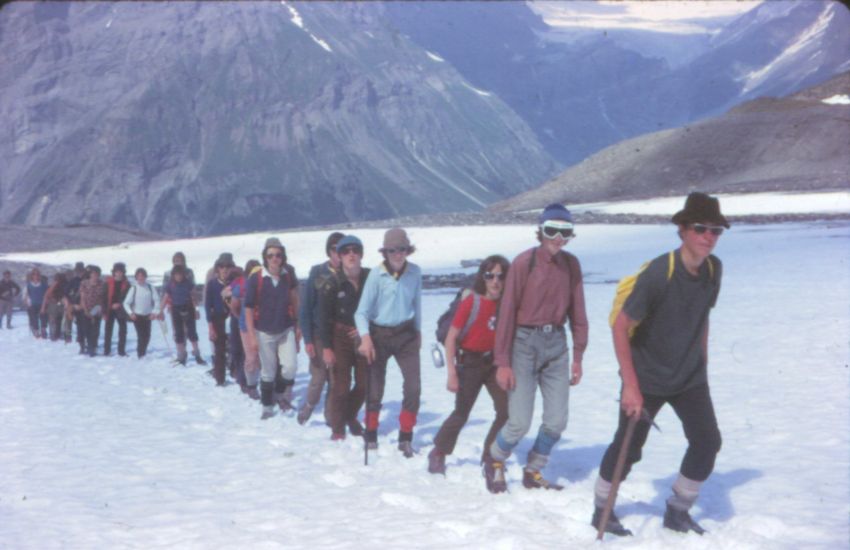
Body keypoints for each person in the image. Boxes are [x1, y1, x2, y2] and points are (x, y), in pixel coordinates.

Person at [592, 192, 727, 537]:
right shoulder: (659, 273)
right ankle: (602, 509)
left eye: (715, 230)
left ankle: (678, 511)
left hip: (689, 377)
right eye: (700, 228)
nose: (708, 236)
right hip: (647, 377)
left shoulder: (713, 269)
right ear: (683, 230)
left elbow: (702, 317)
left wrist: (702, 364)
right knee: (629, 447)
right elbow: (621, 326)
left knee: (707, 441)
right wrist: (631, 386)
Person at [484, 203, 587, 493]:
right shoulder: (522, 263)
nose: (558, 237)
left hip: (557, 345)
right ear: (540, 231)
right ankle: (494, 461)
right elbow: (506, 313)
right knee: (519, 421)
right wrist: (502, 362)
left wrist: (578, 356)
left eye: (564, 231)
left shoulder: (571, 265)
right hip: (523, 345)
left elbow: (578, 312)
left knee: (556, 421)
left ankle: (533, 470)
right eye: (551, 230)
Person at [428, 255, 510, 475]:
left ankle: (490, 455)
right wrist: (451, 373)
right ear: (482, 277)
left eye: (501, 276)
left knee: (506, 411)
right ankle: (438, 452)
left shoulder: (506, 305)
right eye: (489, 275)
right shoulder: (471, 302)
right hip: (469, 363)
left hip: (493, 362)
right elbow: (451, 338)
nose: (495, 281)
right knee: (462, 413)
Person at [355, 227, 422, 458]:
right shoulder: (376, 275)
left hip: (406, 334)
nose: (398, 254)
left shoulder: (415, 272)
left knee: (413, 386)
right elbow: (361, 312)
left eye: (402, 249)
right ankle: (371, 431)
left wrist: (419, 331)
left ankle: (406, 435)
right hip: (379, 335)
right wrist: (365, 338)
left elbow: (418, 304)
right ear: (385, 252)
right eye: (393, 250)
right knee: (375, 387)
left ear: (407, 251)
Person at [318, 235, 369, 440]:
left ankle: (350, 415)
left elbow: (379, 308)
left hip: (364, 335)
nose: (351, 255)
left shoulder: (370, 279)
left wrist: (367, 329)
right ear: (339, 256)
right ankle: (338, 428)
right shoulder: (331, 284)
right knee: (341, 385)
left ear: (361, 254)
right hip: (339, 336)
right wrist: (327, 348)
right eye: (346, 251)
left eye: (355, 250)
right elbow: (322, 318)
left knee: (365, 383)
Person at [244, 238, 301, 420]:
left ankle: (278, 392)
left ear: (282, 256)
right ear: (265, 258)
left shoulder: (288, 274)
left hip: (285, 329)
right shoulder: (256, 278)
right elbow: (248, 308)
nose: (275, 259)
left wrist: (298, 325)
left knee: (290, 367)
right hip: (264, 332)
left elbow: (295, 299)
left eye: (278, 255)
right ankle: (267, 406)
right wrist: (252, 336)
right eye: (271, 255)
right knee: (268, 371)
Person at [297, 231, 345, 425]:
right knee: (319, 376)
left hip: (338, 334)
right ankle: (309, 405)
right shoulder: (318, 272)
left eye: (342, 249)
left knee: (335, 378)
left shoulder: (349, 274)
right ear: (329, 251)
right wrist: (307, 338)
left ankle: (330, 415)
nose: (338, 253)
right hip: (317, 333)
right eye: (334, 249)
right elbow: (306, 307)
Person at [228, 259, 262, 399]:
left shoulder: (262, 284)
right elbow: (234, 306)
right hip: (246, 327)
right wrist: (240, 318)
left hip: (261, 325)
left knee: (260, 357)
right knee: (251, 357)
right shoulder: (241, 286)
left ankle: (257, 381)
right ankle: (251, 385)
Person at [161, 264, 206, 365]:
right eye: (176, 275)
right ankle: (181, 356)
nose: (179, 277)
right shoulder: (170, 284)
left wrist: (197, 310)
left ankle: (197, 355)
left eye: (180, 275)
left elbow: (194, 297)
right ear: (173, 275)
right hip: (176, 310)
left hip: (188, 308)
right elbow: (165, 297)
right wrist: (160, 311)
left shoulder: (188, 283)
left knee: (192, 333)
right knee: (179, 334)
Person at [206, 255, 235, 386]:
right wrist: (210, 326)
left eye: (228, 267)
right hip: (218, 319)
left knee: (235, 347)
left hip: (233, 317)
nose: (225, 270)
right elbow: (207, 305)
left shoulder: (235, 283)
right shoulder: (212, 284)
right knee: (219, 349)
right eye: (222, 267)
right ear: (217, 269)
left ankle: (237, 374)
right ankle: (220, 378)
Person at [123, 267, 161, 358]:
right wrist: (131, 313)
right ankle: (140, 354)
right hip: (137, 316)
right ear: (136, 277)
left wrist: (154, 312)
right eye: (139, 276)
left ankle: (143, 351)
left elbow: (157, 301)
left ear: (145, 277)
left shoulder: (150, 287)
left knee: (147, 335)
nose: (141, 278)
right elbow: (126, 303)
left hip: (148, 316)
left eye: (142, 276)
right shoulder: (134, 288)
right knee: (141, 336)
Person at [79, 265, 107, 356]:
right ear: (90, 274)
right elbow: (82, 298)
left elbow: (103, 298)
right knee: (87, 329)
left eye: (97, 274)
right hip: (86, 309)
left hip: (97, 310)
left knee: (95, 329)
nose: (95, 276)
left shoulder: (102, 284)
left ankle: (93, 347)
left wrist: (101, 309)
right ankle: (89, 345)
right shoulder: (84, 283)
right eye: (93, 274)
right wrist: (85, 310)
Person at [103, 262, 131, 356]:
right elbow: (103, 297)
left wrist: (119, 304)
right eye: (117, 272)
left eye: (121, 272)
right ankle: (107, 350)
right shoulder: (108, 282)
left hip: (121, 309)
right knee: (108, 330)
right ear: (114, 272)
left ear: (123, 273)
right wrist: (104, 310)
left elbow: (128, 297)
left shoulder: (127, 284)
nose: (119, 274)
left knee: (123, 330)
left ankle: (121, 351)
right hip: (109, 309)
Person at [66, 262, 87, 352]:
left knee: (88, 327)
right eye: (78, 271)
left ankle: (89, 344)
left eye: (81, 271)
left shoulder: (88, 279)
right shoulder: (73, 281)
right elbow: (66, 293)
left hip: (87, 306)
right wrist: (71, 305)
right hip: (76, 306)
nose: (80, 273)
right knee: (80, 326)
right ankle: (82, 345)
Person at [41, 272, 68, 341]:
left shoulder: (63, 286)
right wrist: (44, 307)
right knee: (54, 320)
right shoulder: (53, 286)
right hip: (54, 304)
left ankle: (55, 335)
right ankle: (54, 335)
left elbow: (46, 296)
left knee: (57, 320)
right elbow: (47, 296)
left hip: (58, 304)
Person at [23, 268, 49, 339]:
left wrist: (45, 304)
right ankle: (36, 330)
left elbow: (47, 294)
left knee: (43, 317)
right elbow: (26, 295)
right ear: (32, 276)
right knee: (34, 318)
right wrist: (27, 303)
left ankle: (43, 330)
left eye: (37, 274)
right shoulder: (28, 285)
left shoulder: (44, 285)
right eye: (34, 274)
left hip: (42, 304)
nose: (36, 276)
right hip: (32, 304)